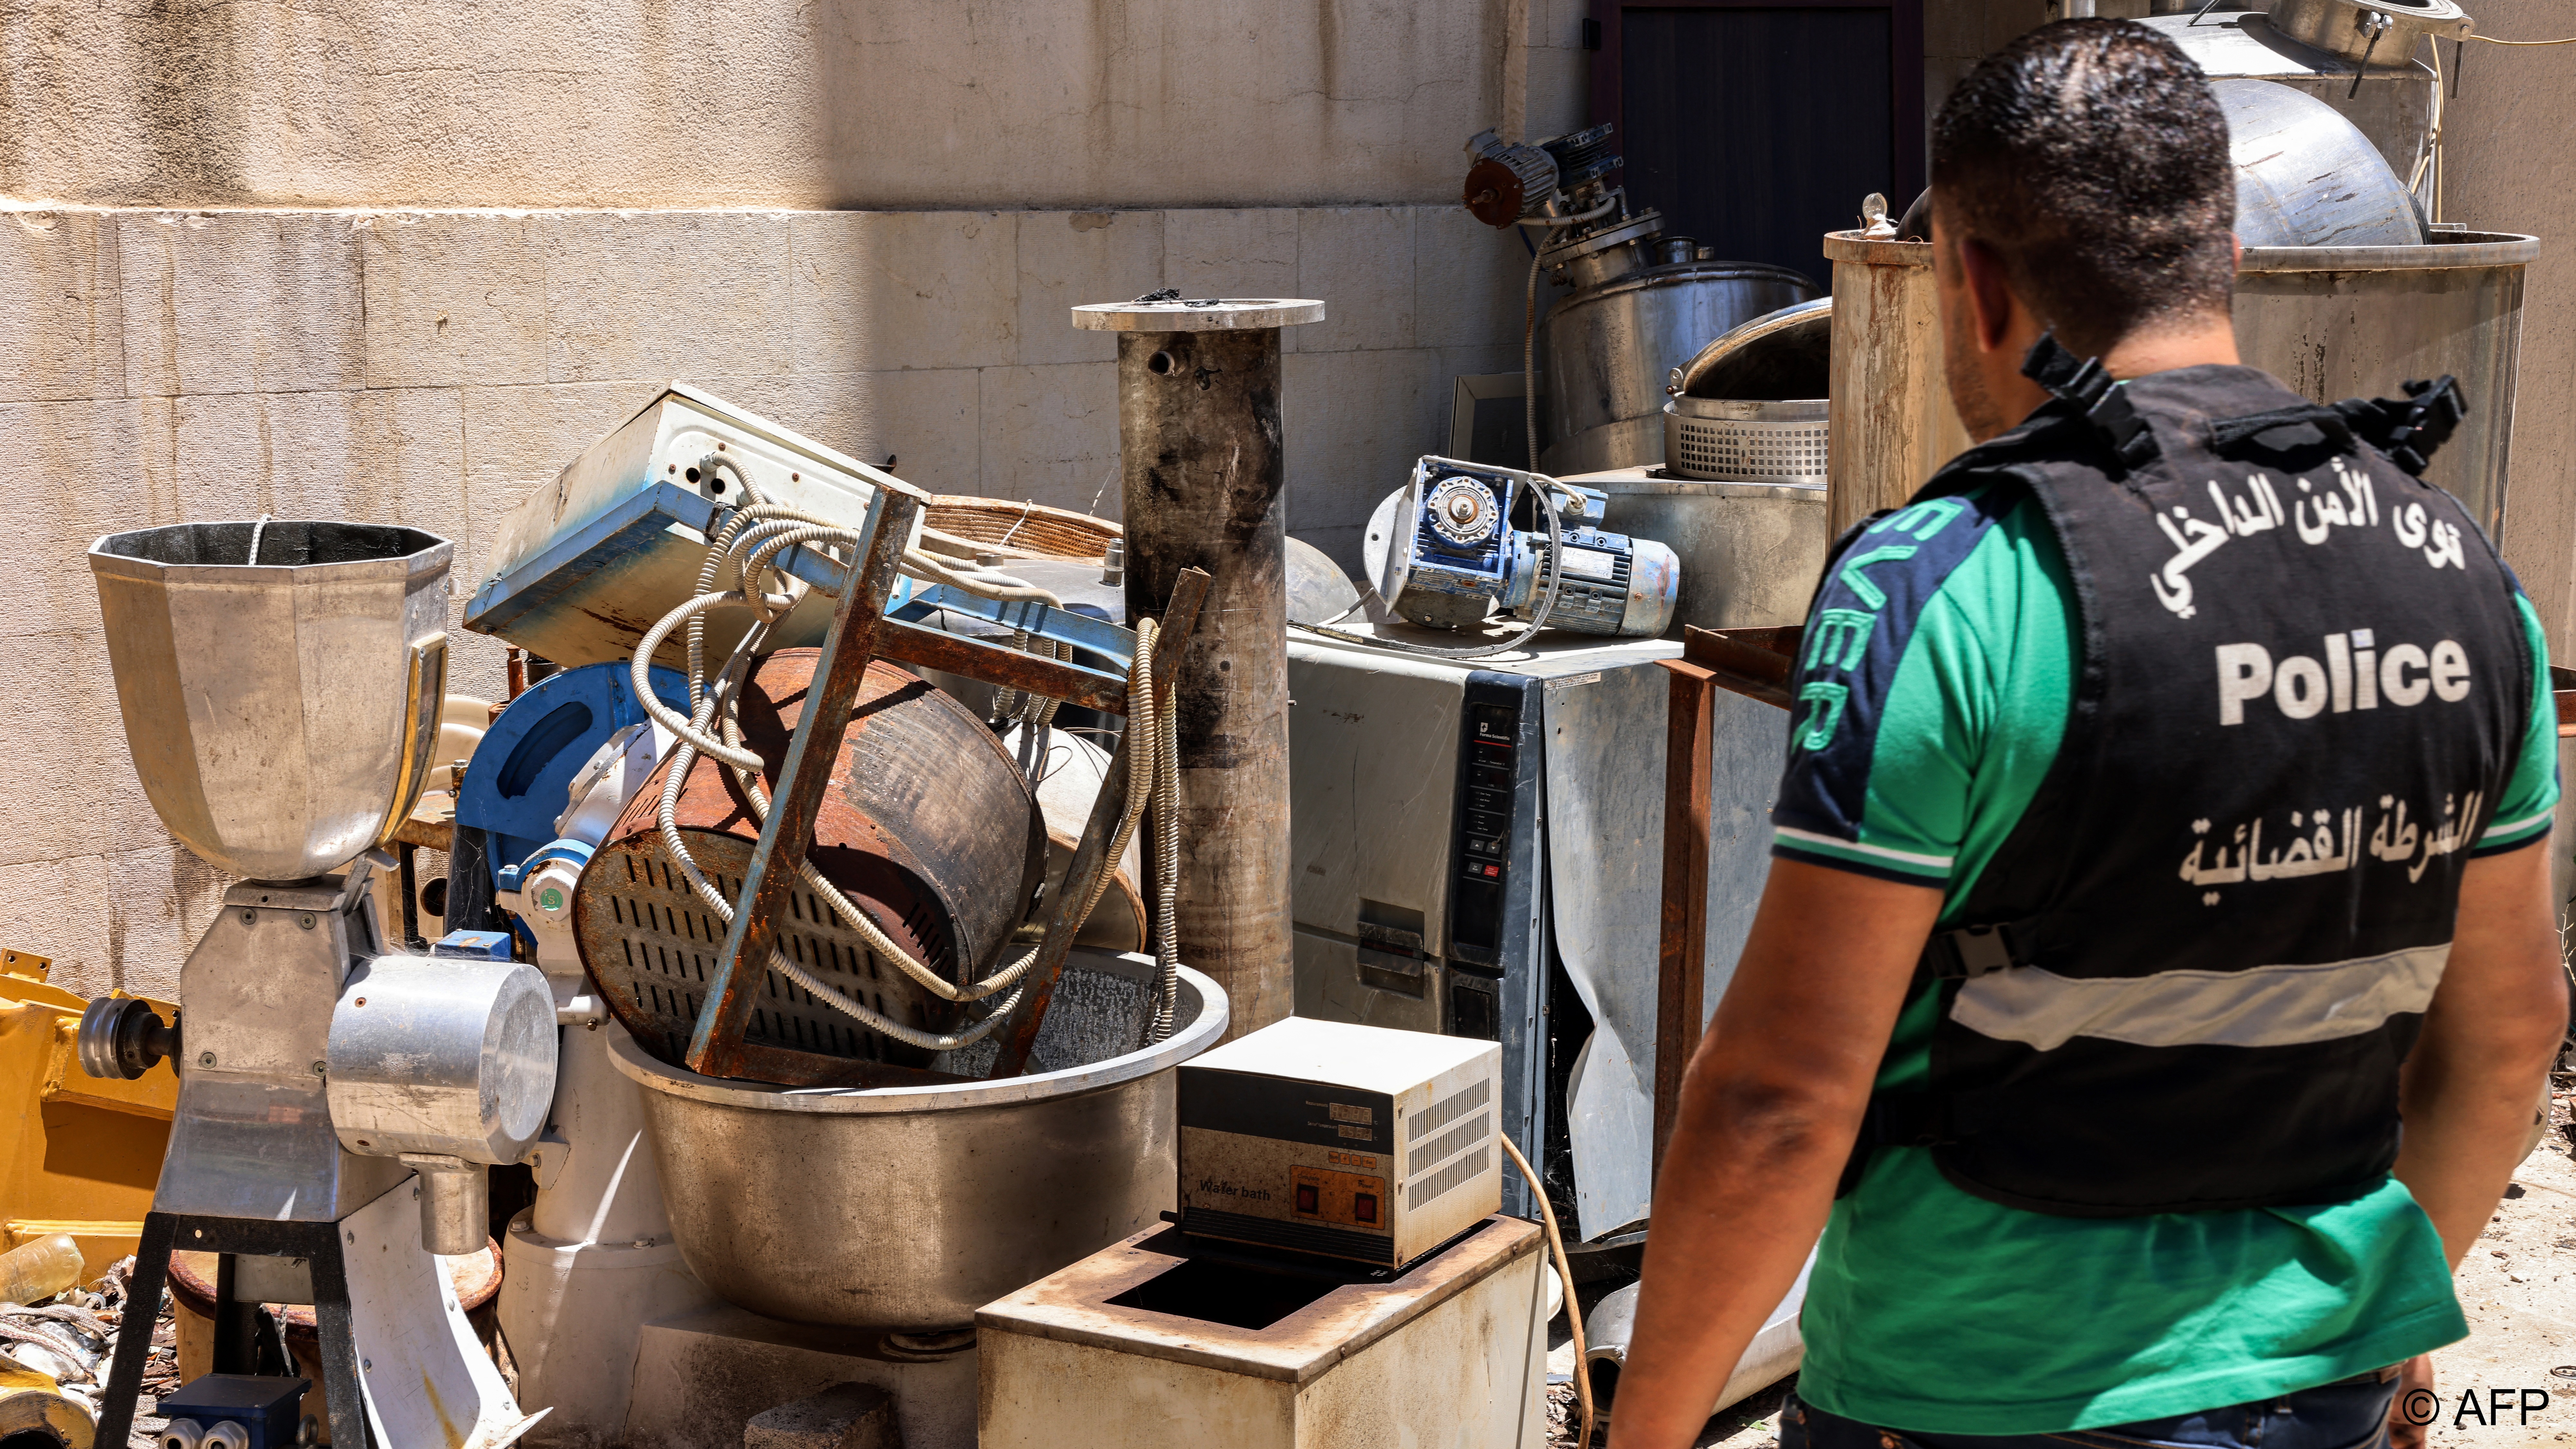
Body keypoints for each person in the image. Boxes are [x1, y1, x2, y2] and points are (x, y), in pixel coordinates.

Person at [1606, 20, 2569, 1449]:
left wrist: (1647, 1432)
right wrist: (2378, 1309)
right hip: (2321, 1393)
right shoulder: (2462, 574)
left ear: (1972, 286)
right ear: (2226, 256)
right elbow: (2506, 1041)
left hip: (1973, 1393)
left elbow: (1773, 1101)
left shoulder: (1940, 585)